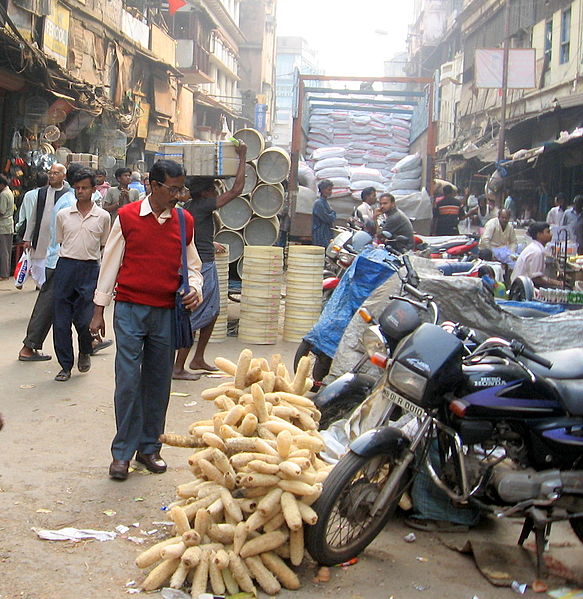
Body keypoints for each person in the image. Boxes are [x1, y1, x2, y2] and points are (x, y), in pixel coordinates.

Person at [90, 159, 203, 481]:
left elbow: (193, 265)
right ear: (153, 186)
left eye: (181, 189)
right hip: (129, 310)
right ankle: (122, 453)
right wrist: (98, 310)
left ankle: (150, 448)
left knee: (158, 382)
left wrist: (195, 288)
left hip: (166, 311)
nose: (178, 195)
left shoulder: (185, 221)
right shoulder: (126, 218)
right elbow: (110, 264)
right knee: (127, 382)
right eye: (173, 188)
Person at [173, 142, 247, 380]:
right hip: (201, 266)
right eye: (214, 189)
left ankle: (197, 358)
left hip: (203, 259)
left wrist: (209, 242)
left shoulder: (191, 206)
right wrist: (242, 157)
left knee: (212, 311)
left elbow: (191, 235)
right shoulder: (204, 205)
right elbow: (236, 190)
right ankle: (178, 366)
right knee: (196, 314)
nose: (217, 192)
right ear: (205, 192)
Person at [53, 169, 111, 382]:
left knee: (85, 320)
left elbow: (104, 244)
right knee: (60, 322)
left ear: (94, 190)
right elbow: (61, 240)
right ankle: (65, 365)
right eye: (76, 188)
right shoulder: (63, 215)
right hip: (66, 267)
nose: (80, 191)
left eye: (84, 187)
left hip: (90, 269)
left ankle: (85, 350)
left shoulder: (103, 217)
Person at [18, 163, 75, 360]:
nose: (52, 175)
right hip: (56, 255)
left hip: (66, 256)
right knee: (51, 297)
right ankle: (30, 345)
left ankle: (90, 340)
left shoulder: (69, 196)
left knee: (75, 299)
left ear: (65, 176)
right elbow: (36, 218)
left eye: (55, 173)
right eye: (50, 173)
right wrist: (28, 238)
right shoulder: (53, 197)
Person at [511, 222, 561, 287]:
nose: (551, 234)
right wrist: (556, 282)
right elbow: (536, 278)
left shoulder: (535, 247)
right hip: (522, 288)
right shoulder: (537, 251)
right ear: (539, 235)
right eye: (548, 232)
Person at [16, 172, 49, 241]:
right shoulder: (49, 194)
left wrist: (18, 227)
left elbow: (22, 213)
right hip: (45, 231)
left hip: (29, 231)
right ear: (47, 182)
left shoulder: (28, 195)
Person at [312, 179, 336, 247]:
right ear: (322, 190)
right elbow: (327, 218)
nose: (330, 192)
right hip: (320, 233)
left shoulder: (326, 202)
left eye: (331, 190)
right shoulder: (318, 203)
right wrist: (333, 214)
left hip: (326, 232)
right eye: (329, 190)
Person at [0, 174, 15, 280]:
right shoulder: (9, 192)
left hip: (3, 225)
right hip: (8, 225)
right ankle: (6, 272)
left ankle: (4, 274)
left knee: (3, 251)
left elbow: (1, 211)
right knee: (6, 251)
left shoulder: (4, 195)